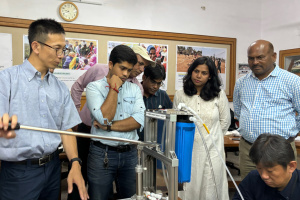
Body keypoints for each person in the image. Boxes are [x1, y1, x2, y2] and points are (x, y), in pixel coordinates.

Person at [0, 19, 88, 200]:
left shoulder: (60, 88)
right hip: (19, 172)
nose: (62, 55)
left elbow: (66, 128)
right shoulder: (6, 80)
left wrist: (75, 163)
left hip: (53, 167)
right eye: (57, 49)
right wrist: (3, 129)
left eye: (64, 49)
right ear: (36, 46)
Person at [233, 40, 300, 179]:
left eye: (260, 57)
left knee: (280, 192)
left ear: (273, 56)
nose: (255, 62)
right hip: (248, 149)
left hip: (279, 149)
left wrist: (291, 134)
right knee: (249, 189)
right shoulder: (241, 83)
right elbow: (238, 111)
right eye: (251, 58)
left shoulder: (292, 81)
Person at [86, 45, 146, 199]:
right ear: (111, 65)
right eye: (122, 68)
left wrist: (109, 127)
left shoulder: (134, 89)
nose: (126, 74)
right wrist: (114, 88)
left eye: (129, 69)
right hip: (102, 154)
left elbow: (139, 121)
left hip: (130, 154)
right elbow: (104, 117)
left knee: (131, 197)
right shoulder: (94, 87)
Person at [173, 56, 231, 200]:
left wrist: (212, 137)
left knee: (210, 188)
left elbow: (225, 122)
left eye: (204, 73)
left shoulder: (218, 95)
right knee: (187, 188)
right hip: (187, 151)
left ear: (210, 76)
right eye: (196, 71)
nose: (199, 76)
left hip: (212, 151)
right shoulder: (180, 94)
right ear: (191, 72)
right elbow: (174, 123)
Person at [233, 134, 300, 200]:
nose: (263, 176)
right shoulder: (252, 179)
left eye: (269, 171)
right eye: (259, 168)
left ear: (291, 166)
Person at [139, 64, 172, 141]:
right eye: (153, 82)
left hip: (157, 145)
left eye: (159, 83)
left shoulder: (163, 96)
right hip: (135, 143)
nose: (156, 87)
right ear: (144, 77)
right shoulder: (134, 93)